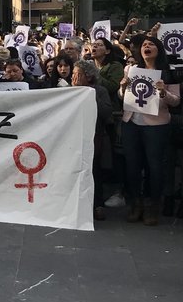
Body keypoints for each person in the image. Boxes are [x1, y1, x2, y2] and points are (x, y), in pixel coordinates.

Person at [119, 36, 179, 225]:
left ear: (158, 49)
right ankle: (136, 204)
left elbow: (175, 101)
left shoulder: (168, 73)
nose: (147, 46)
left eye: (151, 44)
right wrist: (122, 88)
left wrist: (163, 92)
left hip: (156, 126)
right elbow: (123, 97)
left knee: (155, 167)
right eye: (144, 45)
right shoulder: (130, 69)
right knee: (132, 166)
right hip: (131, 123)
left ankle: (153, 205)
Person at [72, 60, 114, 221]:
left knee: (94, 171)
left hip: (93, 136)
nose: (74, 77)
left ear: (89, 77)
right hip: (73, 136)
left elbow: (106, 112)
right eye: (73, 74)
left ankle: (97, 204)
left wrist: (89, 94)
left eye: (78, 74)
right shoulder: (68, 90)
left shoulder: (100, 91)